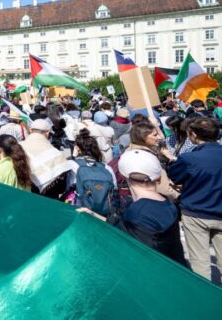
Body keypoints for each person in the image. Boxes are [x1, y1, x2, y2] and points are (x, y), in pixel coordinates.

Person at [78, 149, 185, 265]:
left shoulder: (137, 214)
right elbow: (123, 227)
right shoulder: (167, 203)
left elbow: (139, 257)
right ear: (159, 178)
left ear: (123, 176)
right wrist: (93, 215)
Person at [165, 118, 222, 280]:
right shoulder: (191, 158)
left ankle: (204, 299)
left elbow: (174, 177)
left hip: (196, 213)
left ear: (194, 134)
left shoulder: (189, 159)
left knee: (200, 262)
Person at [67, 128, 118, 214]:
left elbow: (67, 187)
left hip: (79, 210)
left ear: (77, 148)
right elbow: (115, 188)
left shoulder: (72, 165)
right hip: (104, 213)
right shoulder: (106, 167)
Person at [19, 118, 71, 195]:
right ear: (47, 133)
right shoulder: (55, 151)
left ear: (30, 130)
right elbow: (65, 164)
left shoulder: (19, 146)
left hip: (22, 189)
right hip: (46, 194)